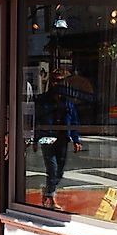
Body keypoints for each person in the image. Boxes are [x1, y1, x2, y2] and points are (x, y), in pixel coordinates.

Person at [35, 69, 82, 211]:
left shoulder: (68, 102)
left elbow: (74, 120)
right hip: (47, 138)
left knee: (59, 171)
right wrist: (35, 139)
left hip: (62, 139)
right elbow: (36, 120)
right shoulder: (42, 99)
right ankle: (51, 196)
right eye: (55, 80)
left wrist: (76, 139)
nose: (57, 83)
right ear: (51, 82)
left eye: (60, 81)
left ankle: (48, 191)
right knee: (52, 169)